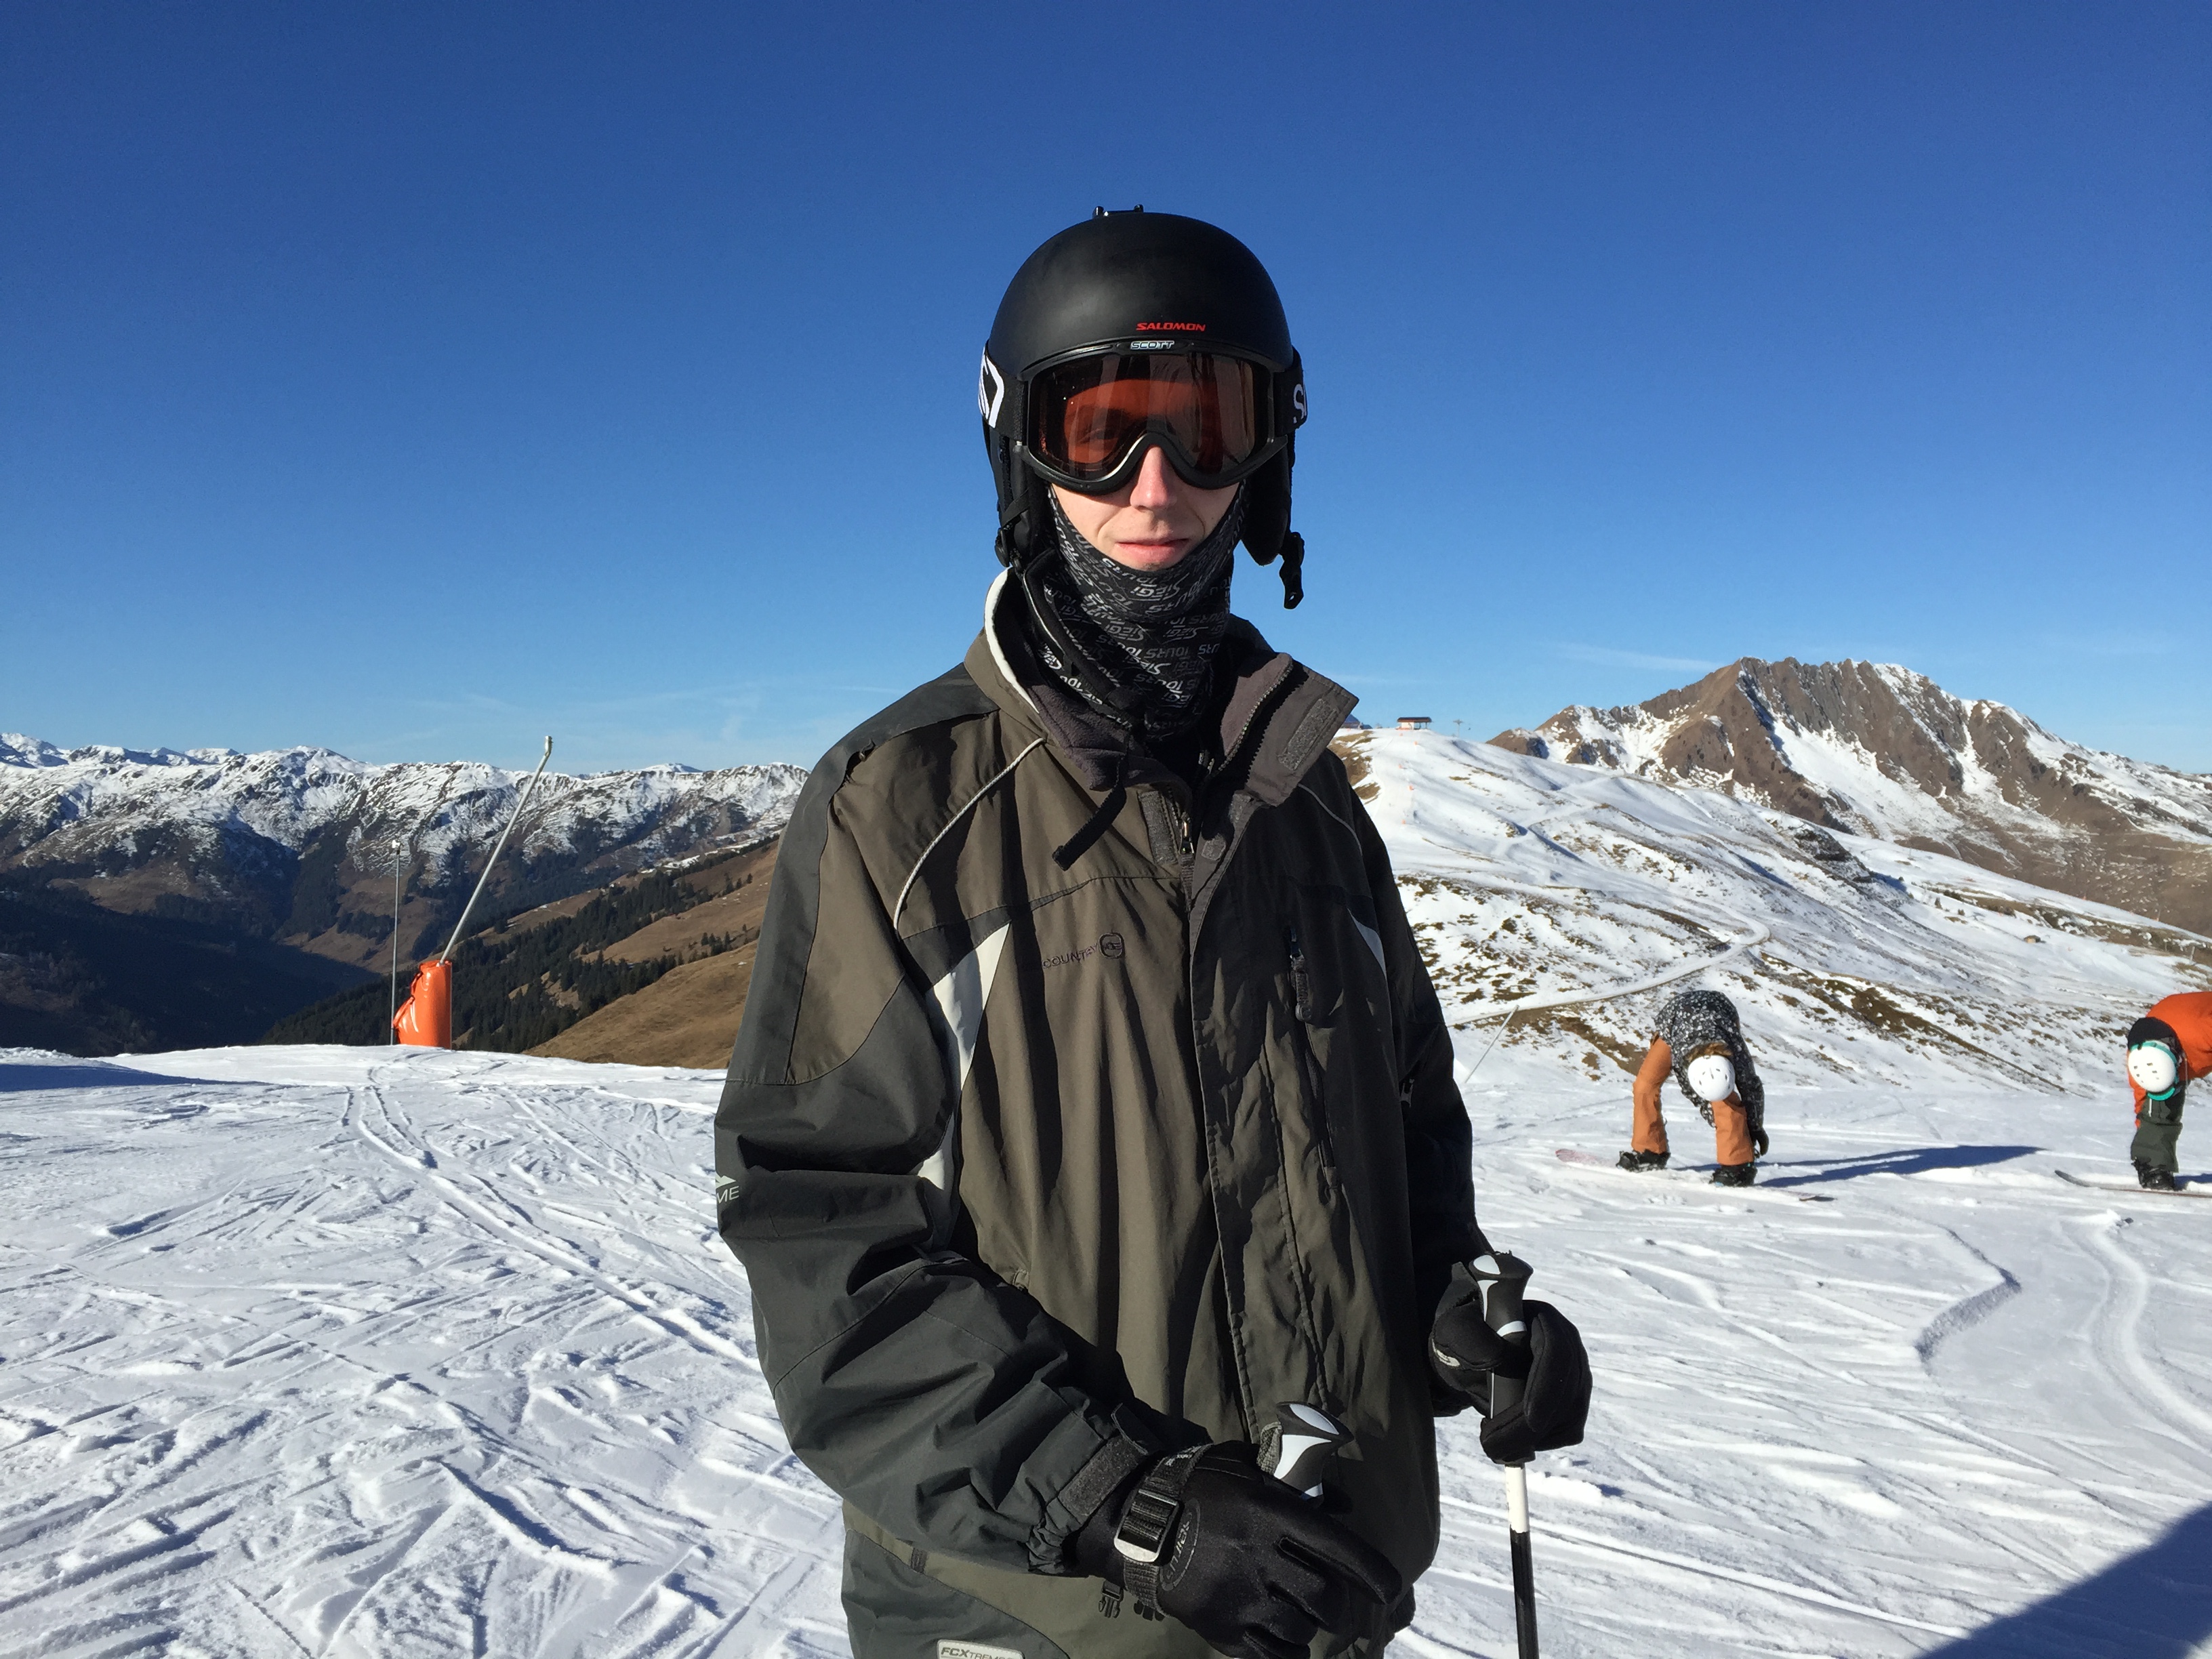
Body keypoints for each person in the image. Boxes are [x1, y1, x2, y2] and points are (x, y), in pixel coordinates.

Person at [714, 209, 1591, 1659]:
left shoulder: (1313, 808)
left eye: (1206, 423)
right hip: (1037, 1611)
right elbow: (819, 1225)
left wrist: (1448, 1303)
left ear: (1270, 450)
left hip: (1318, 1586)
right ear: (1020, 449)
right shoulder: (901, 808)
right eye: (1099, 426)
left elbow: (1404, 1119)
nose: (1156, 480)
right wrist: (1116, 1498)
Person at [1617, 986, 1769, 1186]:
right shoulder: (1683, 1058)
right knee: (1645, 1085)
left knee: (1722, 1095)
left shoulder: (1733, 1045)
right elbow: (1697, 1095)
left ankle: (1738, 1165)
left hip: (1720, 1011)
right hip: (1674, 1023)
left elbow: (1750, 1085)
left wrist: (1755, 1127)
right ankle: (1649, 1151)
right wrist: (1727, 1123)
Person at [2124, 991, 2211, 1190]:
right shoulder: (2140, 1061)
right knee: (2158, 1105)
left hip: (2193, 1028)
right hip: (2171, 1030)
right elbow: (2143, 1103)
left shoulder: (2203, 1031)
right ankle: (2153, 1167)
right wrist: (2145, 1134)